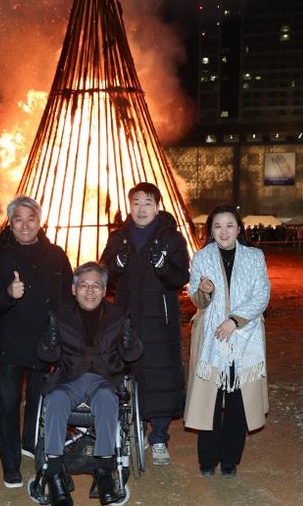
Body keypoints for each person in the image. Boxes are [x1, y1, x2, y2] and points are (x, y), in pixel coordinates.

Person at [35, 261, 143, 506]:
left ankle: (104, 470)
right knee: (56, 399)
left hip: (104, 379)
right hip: (69, 378)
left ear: (104, 290)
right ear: (74, 289)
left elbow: (133, 354)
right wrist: (50, 342)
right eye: (84, 285)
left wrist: (130, 342)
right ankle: (55, 473)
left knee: (107, 399)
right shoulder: (60, 315)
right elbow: (46, 355)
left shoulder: (119, 316)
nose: (90, 291)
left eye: (96, 286)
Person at [0, 195, 73, 488]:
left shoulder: (56, 256)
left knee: (39, 400)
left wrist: (66, 335)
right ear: (10, 223)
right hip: (11, 344)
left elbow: (68, 300)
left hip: (46, 344)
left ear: (39, 222)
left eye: (30, 219)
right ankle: (10, 465)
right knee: (8, 404)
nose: (25, 225)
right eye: (18, 219)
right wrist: (8, 294)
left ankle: (30, 444)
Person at [99, 182, 190, 465]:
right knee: (128, 373)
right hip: (126, 317)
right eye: (136, 203)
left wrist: (163, 265)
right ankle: (131, 428)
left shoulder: (172, 239)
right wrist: (116, 265)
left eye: (148, 203)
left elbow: (180, 277)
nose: (141, 209)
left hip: (159, 319)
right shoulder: (118, 238)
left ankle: (159, 436)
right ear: (129, 206)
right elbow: (104, 276)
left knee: (160, 375)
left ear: (158, 207)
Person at [184, 204, 271, 477]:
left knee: (237, 400)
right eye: (218, 226)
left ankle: (230, 460)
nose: (224, 231)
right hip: (212, 339)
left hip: (245, 336)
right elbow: (198, 300)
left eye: (229, 225)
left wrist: (234, 321)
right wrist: (204, 291)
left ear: (239, 229)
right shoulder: (201, 258)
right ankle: (207, 460)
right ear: (210, 230)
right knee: (209, 399)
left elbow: (262, 294)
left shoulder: (255, 257)